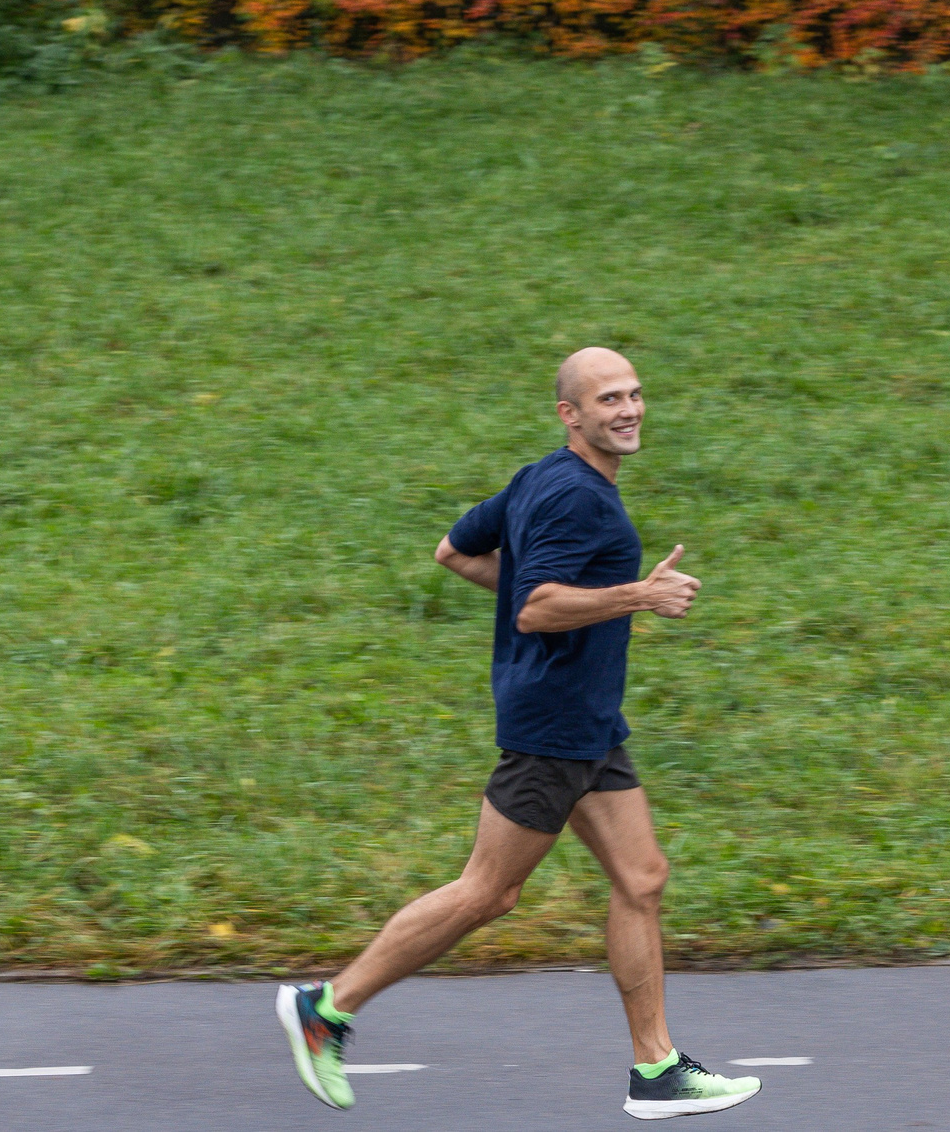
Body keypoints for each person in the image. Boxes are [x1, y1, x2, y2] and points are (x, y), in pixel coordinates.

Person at [277, 347, 761, 1120]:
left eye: (635, 394)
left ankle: (656, 1068)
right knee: (488, 891)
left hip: (588, 720)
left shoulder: (538, 478)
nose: (630, 410)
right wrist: (636, 593)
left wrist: (586, 595)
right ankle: (327, 1008)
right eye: (609, 399)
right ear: (571, 414)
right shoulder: (581, 501)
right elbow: (537, 606)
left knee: (642, 879)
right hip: (554, 726)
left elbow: (455, 552)